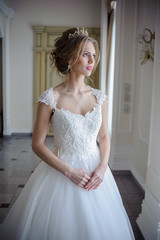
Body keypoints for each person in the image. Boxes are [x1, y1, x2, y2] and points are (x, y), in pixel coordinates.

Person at [1, 27, 135, 240]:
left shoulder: (99, 98)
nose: (92, 60)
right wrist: (69, 172)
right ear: (70, 59)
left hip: (95, 174)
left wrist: (101, 168)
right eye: (85, 54)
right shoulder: (50, 98)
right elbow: (37, 144)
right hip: (61, 170)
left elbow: (104, 138)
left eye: (93, 55)